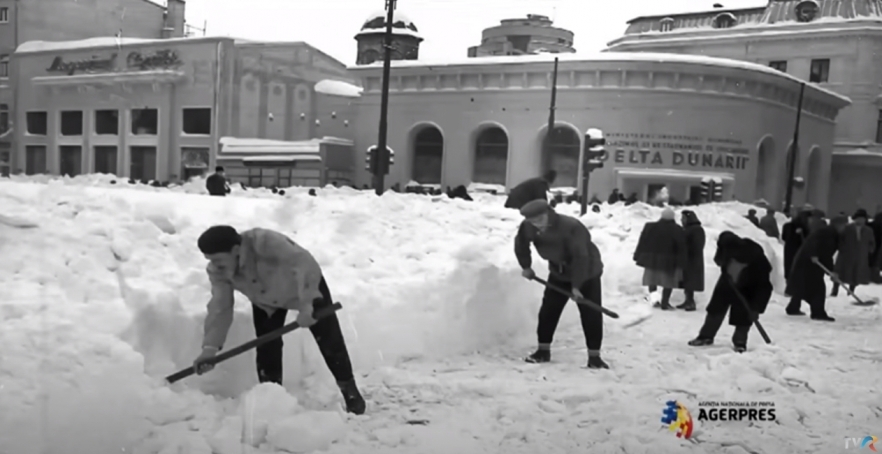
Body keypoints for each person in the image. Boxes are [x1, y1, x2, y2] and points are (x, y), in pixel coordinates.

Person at [192, 226, 366, 414]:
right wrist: (210, 348)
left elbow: (304, 264)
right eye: (210, 260)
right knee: (267, 347)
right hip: (265, 301)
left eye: (217, 259)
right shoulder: (219, 271)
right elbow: (220, 307)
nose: (214, 265)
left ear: (235, 250)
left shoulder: (265, 242)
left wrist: (307, 305)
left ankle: (348, 388)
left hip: (305, 288)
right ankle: (272, 398)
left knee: (329, 339)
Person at [514, 199, 609, 369]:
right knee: (548, 311)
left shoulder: (571, 226)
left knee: (591, 314)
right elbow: (521, 245)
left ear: (548, 213)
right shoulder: (528, 226)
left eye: (539, 220)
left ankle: (594, 357)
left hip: (587, 272)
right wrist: (526, 266)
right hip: (559, 273)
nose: (536, 225)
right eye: (532, 221)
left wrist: (577, 286)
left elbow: (581, 257)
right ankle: (543, 351)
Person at [687, 232, 772, 353]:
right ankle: (706, 336)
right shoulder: (728, 249)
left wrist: (756, 308)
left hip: (749, 289)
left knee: (744, 315)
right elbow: (719, 260)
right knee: (715, 310)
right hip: (727, 284)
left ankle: (740, 342)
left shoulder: (757, 260)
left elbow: (764, 288)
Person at [633, 207, 688, 310]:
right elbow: (681, 247)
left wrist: (638, 254)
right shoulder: (677, 229)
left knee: (652, 280)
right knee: (668, 281)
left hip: (651, 258)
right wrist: (682, 262)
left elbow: (642, 241)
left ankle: (654, 301)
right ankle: (665, 303)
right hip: (669, 260)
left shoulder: (650, 227)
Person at [784, 222, 839, 321]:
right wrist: (830, 270)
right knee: (818, 289)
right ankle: (818, 313)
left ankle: (793, 307)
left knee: (801, 285)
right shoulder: (827, 234)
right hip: (810, 262)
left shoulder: (828, 233)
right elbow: (824, 252)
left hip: (807, 261)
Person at [831, 209, 875, 297]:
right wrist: (842, 248)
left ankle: (851, 291)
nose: (860, 221)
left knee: (856, 273)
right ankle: (835, 290)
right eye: (859, 218)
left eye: (862, 219)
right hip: (846, 254)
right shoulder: (847, 228)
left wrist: (870, 250)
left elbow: (872, 242)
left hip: (860, 255)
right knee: (840, 272)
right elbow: (840, 239)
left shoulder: (868, 230)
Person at [676, 210, 706, 311]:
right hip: (688, 259)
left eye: (683, 218)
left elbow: (697, 245)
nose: (681, 220)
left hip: (692, 260)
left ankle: (690, 302)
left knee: (690, 281)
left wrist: (685, 249)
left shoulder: (696, 230)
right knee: (687, 281)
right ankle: (688, 301)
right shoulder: (690, 229)